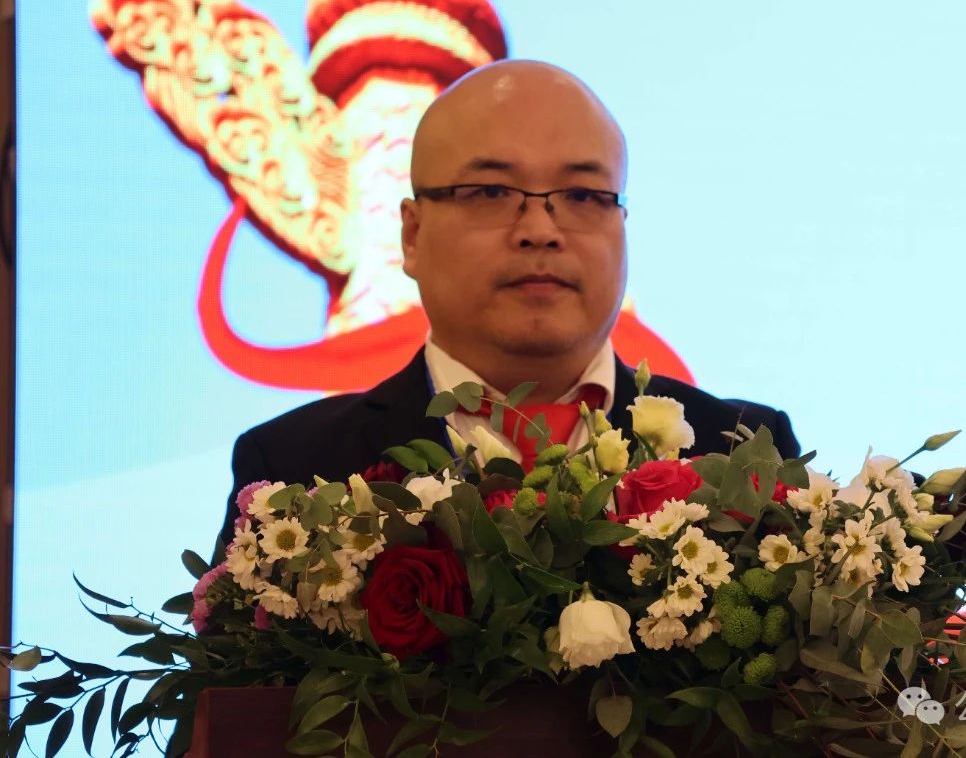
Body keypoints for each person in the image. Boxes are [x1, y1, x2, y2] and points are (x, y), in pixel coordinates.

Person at [217, 60, 801, 549]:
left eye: (582, 195)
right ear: (412, 235)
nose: (540, 231)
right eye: (492, 192)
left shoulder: (743, 450)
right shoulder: (295, 468)